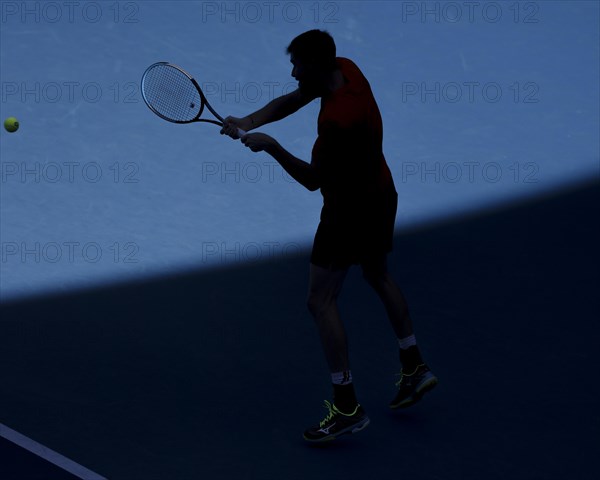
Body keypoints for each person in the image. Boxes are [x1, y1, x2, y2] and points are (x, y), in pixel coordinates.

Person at [221, 29, 437, 443]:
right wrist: (249, 121)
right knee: (377, 275)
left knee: (320, 300)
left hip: (347, 213)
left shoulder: (339, 121)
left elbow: (311, 180)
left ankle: (346, 407)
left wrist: (271, 147)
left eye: (298, 65)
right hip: (381, 196)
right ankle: (414, 365)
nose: (293, 72)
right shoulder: (346, 70)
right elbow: (297, 97)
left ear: (317, 67)